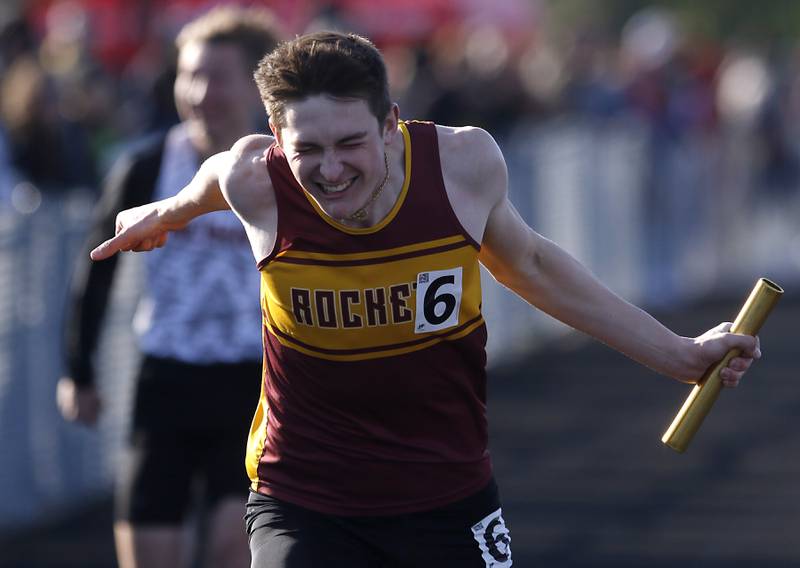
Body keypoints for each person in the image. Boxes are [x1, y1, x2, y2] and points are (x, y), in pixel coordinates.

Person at [89, 31, 762, 568]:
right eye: (308, 150)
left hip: (446, 496)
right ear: (275, 139)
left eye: (350, 143)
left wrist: (678, 354)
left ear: (391, 124)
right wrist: (163, 213)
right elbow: (210, 179)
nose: (330, 170)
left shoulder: (462, 167)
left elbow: (530, 264)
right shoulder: (258, 182)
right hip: (304, 497)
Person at [56, 7, 282, 568]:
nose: (201, 93)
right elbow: (97, 271)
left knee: (233, 549)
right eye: (189, 76)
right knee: (148, 553)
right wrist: (78, 370)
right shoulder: (146, 166)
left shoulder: (284, 172)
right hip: (166, 381)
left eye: (218, 78)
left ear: (254, 87)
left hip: (252, 388)